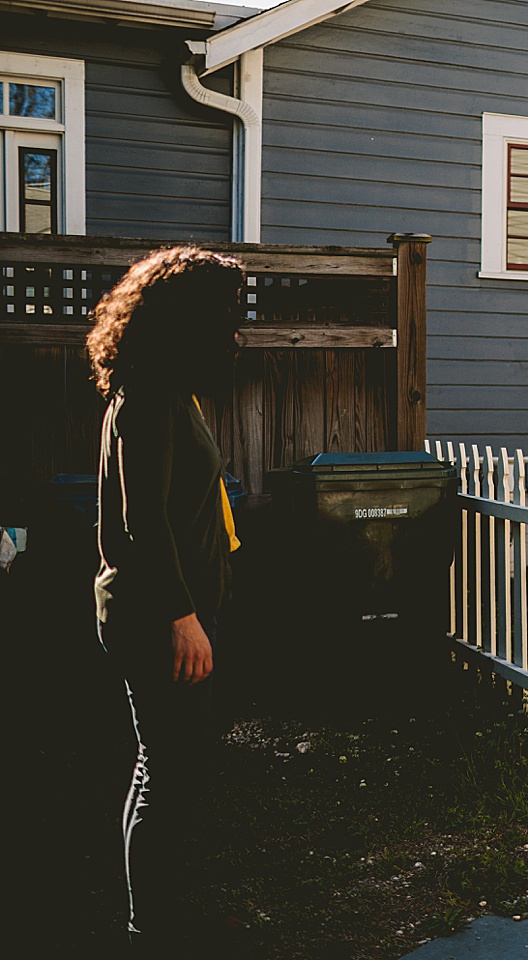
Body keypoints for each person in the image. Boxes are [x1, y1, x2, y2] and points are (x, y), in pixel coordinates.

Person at [86, 246, 246, 957]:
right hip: (159, 618)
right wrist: (183, 618)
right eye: (224, 315)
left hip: (182, 612)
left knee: (175, 772)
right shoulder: (148, 395)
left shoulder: (170, 388)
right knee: (163, 773)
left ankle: (165, 915)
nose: (233, 330)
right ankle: (149, 931)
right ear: (188, 319)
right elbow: (136, 526)